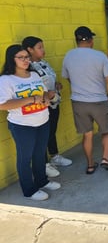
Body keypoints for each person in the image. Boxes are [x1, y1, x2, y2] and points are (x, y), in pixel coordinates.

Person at [0, 44, 61, 201]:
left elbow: (42, 94)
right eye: (21, 57)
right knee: (25, 158)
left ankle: (42, 181)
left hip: (42, 120)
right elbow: (3, 104)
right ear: (11, 59)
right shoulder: (6, 80)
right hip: (22, 126)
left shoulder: (34, 75)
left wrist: (48, 98)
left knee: (40, 154)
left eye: (27, 57)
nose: (25, 60)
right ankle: (29, 189)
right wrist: (31, 99)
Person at [62, 26, 108, 174]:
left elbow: (67, 77)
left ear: (76, 40)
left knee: (87, 134)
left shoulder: (69, 56)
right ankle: (105, 158)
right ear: (91, 40)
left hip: (79, 102)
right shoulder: (99, 56)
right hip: (99, 100)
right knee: (106, 131)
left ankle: (91, 165)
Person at [23, 36, 72, 179]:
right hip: (41, 105)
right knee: (42, 135)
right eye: (39, 47)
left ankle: (54, 156)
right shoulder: (29, 68)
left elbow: (50, 79)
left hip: (54, 102)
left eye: (42, 46)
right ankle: (43, 163)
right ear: (29, 50)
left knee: (51, 131)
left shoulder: (44, 63)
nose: (43, 50)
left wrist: (56, 85)